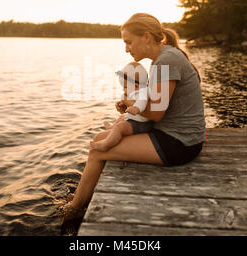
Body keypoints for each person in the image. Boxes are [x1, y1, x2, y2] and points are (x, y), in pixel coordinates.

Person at [57, 13, 205, 220]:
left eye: (129, 42)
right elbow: (157, 108)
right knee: (106, 136)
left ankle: (73, 210)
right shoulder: (164, 58)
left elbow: (156, 113)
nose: (127, 48)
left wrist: (131, 105)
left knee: (98, 149)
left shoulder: (166, 61)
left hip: (180, 143)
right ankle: (82, 197)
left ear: (146, 37)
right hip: (179, 136)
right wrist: (132, 108)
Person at [90, 61, 153, 152]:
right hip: (135, 121)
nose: (124, 90)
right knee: (122, 117)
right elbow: (133, 102)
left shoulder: (143, 92)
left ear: (136, 86)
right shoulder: (137, 91)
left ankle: (105, 145)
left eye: (125, 87)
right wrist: (124, 105)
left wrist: (136, 108)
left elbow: (141, 103)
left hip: (141, 125)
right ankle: (111, 128)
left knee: (119, 128)